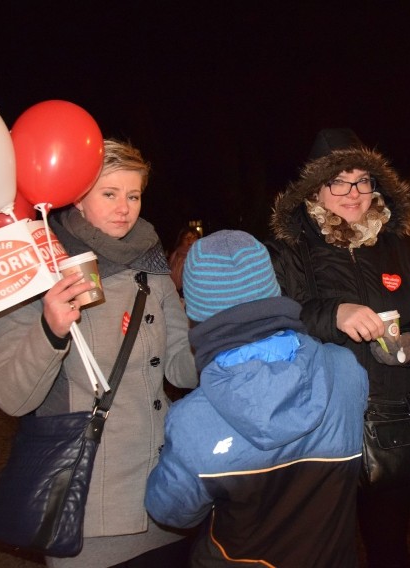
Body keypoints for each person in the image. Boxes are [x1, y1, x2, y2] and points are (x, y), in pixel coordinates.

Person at [0, 139, 198, 567]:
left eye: (133, 195)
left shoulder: (151, 262)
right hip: (88, 507)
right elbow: (12, 397)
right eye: (109, 193)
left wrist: (227, 338)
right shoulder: (35, 266)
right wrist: (50, 329)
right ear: (78, 198)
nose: (125, 207)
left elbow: (180, 366)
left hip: (165, 496)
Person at [267, 128, 410, 567]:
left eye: (363, 181)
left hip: (390, 420)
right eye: (339, 181)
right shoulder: (289, 249)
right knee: (325, 553)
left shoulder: (403, 247)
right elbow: (275, 324)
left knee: (390, 550)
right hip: (319, 425)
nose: (353, 193)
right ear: (316, 186)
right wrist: (334, 315)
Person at [145, 230, 369, 567]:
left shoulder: (193, 420)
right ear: (272, 289)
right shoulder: (344, 370)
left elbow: (172, 511)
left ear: (194, 308)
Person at [167, 227, 200, 298]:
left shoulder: (200, 256)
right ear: (181, 240)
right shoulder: (174, 255)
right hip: (174, 293)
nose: (190, 240)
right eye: (186, 238)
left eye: (194, 237)